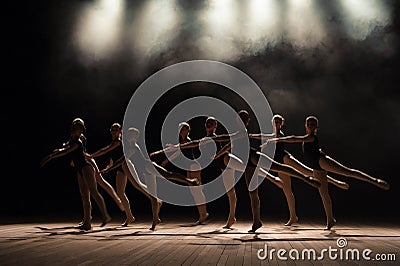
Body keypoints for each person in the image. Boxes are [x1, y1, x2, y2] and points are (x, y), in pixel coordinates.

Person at [262, 115, 390, 230]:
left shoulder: (311, 137)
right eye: (309, 124)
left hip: (322, 160)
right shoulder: (305, 137)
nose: (310, 126)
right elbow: (289, 138)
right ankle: (330, 219)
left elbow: (295, 138)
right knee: (323, 193)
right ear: (305, 125)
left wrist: (276, 140)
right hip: (316, 167)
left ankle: (374, 180)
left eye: (313, 124)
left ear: (316, 126)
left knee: (346, 171)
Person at [249, 114, 349, 226]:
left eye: (278, 122)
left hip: (286, 159)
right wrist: (253, 136)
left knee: (307, 172)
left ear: (281, 124)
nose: (276, 124)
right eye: (274, 122)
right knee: (287, 190)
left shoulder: (279, 135)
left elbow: (270, 138)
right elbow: (265, 136)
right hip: (280, 163)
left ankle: (336, 182)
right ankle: (293, 217)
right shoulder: (273, 135)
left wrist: (260, 139)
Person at [105, 127, 198, 230]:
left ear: (136, 137)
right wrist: (110, 167)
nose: (129, 137)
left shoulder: (134, 147)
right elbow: (120, 159)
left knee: (168, 174)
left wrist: (109, 169)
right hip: (145, 173)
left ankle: (189, 181)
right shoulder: (128, 147)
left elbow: (122, 160)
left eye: (132, 135)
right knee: (152, 195)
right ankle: (155, 220)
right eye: (128, 135)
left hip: (148, 166)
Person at [40, 118, 111, 231]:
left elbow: (66, 151)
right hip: (80, 169)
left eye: (77, 127)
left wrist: (50, 157)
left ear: (80, 130)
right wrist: (57, 150)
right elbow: (65, 147)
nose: (74, 128)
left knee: (94, 192)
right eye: (74, 126)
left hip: (86, 167)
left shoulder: (78, 142)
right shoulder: (72, 140)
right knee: (84, 196)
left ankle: (105, 216)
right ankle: (87, 221)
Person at [158, 122, 209, 225]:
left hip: (194, 165)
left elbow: (179, 148)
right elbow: (178, 151)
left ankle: (203, 213)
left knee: (197, 190)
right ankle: (202, 213)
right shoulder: (182, 141)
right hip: (190, 166)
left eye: (185, 128)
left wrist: (167, 154)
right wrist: (167, 161)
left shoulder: (187, 141)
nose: (183, 130)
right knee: (194, 191)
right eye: (182, 129)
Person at [86, 122, 136, 227]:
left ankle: (153, 200)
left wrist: (92, 156)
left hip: (125, 166)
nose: (113, 132)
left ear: (120, 132)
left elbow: (105, 150)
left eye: (116, 130)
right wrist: (109, 166)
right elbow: (113, 158)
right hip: (120, 168)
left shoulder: (117, 142)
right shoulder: (114, 142)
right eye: (112, 130)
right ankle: (130, 216)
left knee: (135, 187)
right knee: (121, 193)